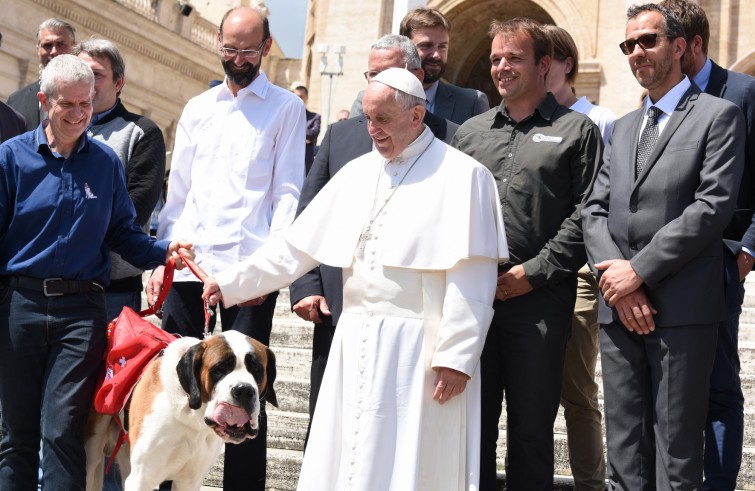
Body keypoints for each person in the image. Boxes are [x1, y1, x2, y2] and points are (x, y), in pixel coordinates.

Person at [203, 67, 508, 490]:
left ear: (417, 116)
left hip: (419, 347)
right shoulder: (357, 173)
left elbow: (473, 277)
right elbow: (296, 247)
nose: (372, 130)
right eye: (367, 118)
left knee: (412, 462)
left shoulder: (464, 176)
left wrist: (455, 357)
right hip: (355, 335)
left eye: (382, 119)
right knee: (348, 456)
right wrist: (232, 282)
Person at [0, 54, 192, 491]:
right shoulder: (9, 159)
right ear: (45, 101)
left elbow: (123, 233)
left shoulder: (104, 164)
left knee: (63, 431)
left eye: (85, 104)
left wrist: (164, 252)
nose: (78, 113)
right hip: (19, 307)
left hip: (81, 313)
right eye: (67, 104)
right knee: (17, 437)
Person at [581, 3, 745, 489]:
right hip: (618, 307)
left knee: (675, 450)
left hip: (681, 308)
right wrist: (619, 282)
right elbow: (593, 209)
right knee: (624, 446)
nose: (636, 52)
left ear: (678, 46)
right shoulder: (625, 127)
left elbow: (711, 207)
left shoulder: (719, 116)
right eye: (628, 45)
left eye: (648, 40)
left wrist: (640, 272)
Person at [147, 6, 305, 491]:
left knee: (245, 398)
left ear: (267, 48)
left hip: (245, 275)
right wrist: (164, 258)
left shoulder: (285, 108)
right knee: (178, 393)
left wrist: (265, 275)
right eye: (231, 48)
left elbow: (287, 194)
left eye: (249, 50)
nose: (238, 59)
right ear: (219, 43)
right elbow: (180, 195)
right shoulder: (198, 108)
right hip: (191, 271)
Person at [453, 17, 601, 490]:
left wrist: (532, 274)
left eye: (514, 58)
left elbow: (587, 213)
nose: (501, 67)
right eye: (496, 58)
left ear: (544, 65)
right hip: (472, 302)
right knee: (469, 430)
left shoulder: (577, 131)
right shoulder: (470, 134)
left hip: (540, 303)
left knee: (532, 433)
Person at [289, 34, 460, 444]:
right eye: (371, 74)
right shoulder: (341, 136)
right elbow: (308, 217)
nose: (375, 84)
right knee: (330, 430)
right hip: (336, 308)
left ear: (416, 80)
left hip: (410, 326)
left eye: (387, 74)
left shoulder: (454, 142)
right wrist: (306, 286)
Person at [658, 2, 755, 489]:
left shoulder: (743, 91)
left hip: (720, 262)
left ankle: (717, 482)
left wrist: (747, 252)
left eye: (668, 45)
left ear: (692, 44)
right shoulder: (660, 96)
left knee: (718, 385)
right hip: (662, 264)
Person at [73, 38, 167, 491]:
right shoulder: (61, 127)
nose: (87, 86)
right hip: (59, 297)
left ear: (119, 82)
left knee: (113, 417)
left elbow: (132, 210)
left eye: (97, 76)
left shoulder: (141, 134)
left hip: (113, 301)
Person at [542, 23, 616, 491]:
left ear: (566, 64)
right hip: (531, 272)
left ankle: (591, 483)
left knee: (578, 388)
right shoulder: (526, 119)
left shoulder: (601, 118)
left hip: (581, 273)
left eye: (545, 59)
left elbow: (600, 200)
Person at [350, 8, 489, 124]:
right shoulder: (365, 100)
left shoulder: (470, 103)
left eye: (442, 47)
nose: (436, 55)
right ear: (406, 47)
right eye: (426, 46)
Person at [7, 18, 75, 128]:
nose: (54, 52)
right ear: (38, 49)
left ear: (74, 47)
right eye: (47, 45)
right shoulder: (15, 100)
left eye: (61, 44)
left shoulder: (89, 96)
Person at [293, 85, 321, 173]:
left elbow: (313, 135)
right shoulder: (287, 115)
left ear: (306, 98)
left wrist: (294, 132)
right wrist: (304, 137)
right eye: (296, 96)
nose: (298, 99)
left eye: (301, 96)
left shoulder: (315, 117)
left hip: (305, 161)